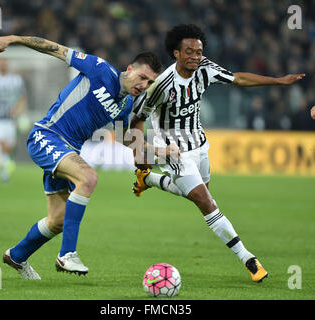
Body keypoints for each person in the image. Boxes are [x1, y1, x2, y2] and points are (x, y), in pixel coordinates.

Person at [131, 24, 305, 282]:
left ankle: (149, 179)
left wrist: (277, 81)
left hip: (200, 146)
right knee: (208, 205)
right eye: (188, 51)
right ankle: (249, 259)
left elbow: (238, 78)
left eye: (198, 51)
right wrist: (151, 150)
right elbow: (136, 121)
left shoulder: (205, 69)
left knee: (199, 196)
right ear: (176, 53)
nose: (194, 56)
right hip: (174, 153)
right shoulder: (161, 85)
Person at [0, 35, 161, 279]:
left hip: (68, 151)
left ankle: (16, 256)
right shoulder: (99, 69)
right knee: (88, 178)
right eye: (142, 77)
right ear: (130, 69)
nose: (144, 84)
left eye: (150, 82)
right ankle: (67, 254)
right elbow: (55, 50)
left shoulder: (125, 105)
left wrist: (161, 152)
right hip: (47, 136)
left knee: (58, 221)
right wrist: (14, 38)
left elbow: (126, 139)